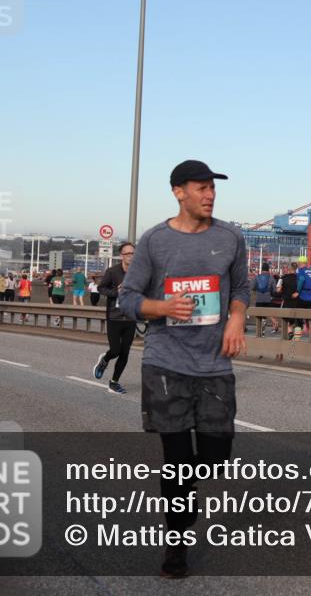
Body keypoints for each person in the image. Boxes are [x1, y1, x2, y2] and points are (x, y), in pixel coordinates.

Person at [118, 160, 248, 579]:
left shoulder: (231, 238)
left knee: (215, 457)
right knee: (175, 459)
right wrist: (161, 307)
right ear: (178, 192)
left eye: (212, 188)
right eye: (201, 188)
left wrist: (236, 318)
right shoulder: (154, 241)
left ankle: (182, 490)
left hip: (213, 364)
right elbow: (127, 298)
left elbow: (242, 288)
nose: (210, 195)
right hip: (166, 362)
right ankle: (176, 546)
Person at [94, 242, 138, 393]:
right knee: (115, 350)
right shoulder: (113, 272)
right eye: (127, 254)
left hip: (131, 316)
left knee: (125, 352)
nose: (131, 256)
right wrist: (116, 292)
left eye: (133, 253)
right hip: (115, 316)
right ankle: (105, 359)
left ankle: (114, 382)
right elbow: (101, 288)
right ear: (121, 256)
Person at [252, 262, 276, 336]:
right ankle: (263, 330)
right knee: (265, 315)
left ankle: (259, 331)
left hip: (259, 298)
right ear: (268, 269)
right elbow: (274, 289)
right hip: (267, 299)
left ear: (261, 269)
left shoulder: (257, 277)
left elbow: (252, 287)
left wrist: (258, 290)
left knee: (259, 315)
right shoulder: (271, 278)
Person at [280, 262, 299, 333]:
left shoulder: (283, 278)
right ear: (296, 269)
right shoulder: (298, 278)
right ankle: (293, 333)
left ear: (289, 268)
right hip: (296, 302)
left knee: (285, 318)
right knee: (295, 320)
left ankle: (289, 331)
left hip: (286, 301)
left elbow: (278, 289)